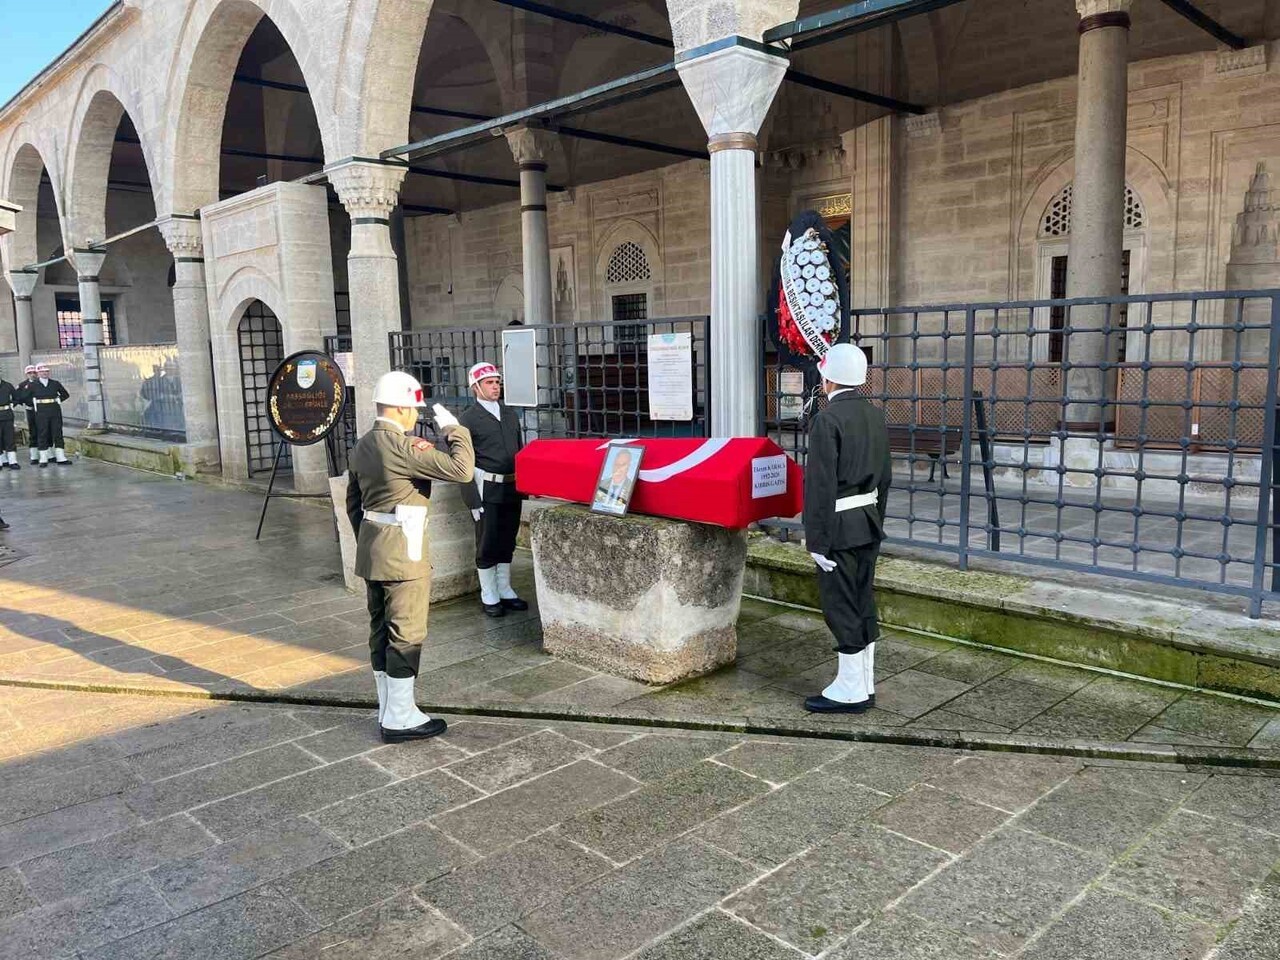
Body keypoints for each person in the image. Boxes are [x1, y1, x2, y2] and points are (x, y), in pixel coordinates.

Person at [345, 370, 474, 743]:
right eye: (414, 409)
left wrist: (372, 540)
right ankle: (400, 717)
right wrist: (454, 430)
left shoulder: (364, 444)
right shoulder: (403, 448)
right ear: (401, 408)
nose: (417, 415)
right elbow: (463, 471)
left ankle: (388, 707)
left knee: (380, 628)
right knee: (406, 632)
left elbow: (354, 503)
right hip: (405, 554)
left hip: (374, 552)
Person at [802, 343, 891, 714]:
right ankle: (863, 682)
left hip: (838, 528)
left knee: (840, 604)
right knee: (861, 599)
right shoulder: (874, 415)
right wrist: (875, 521)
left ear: (828, 378)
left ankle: (851, 690)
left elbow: (821, 486)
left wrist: (816, 541)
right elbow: (885, 478)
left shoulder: (828, 420)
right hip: (867, 524)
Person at [459, 362, 528, 618]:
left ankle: (504, 588)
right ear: (476, 387)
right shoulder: (467, 419)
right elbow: (463, 462)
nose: (495, 386)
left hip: (511, 487)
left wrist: (525, 484)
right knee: (487, 541)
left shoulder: (509, 414)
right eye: (489, 382)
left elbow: (519, 449)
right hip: (486, 488)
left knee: (507, 539)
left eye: (497, 381)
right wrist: (471, 498)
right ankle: (489, 593)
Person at [27, 363, 71, 468]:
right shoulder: (33, 385)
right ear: (38, 373)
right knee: (43, 433)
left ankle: (61, 457)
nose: (45, 373)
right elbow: (25, 397)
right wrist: (33, 404)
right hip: (41, 412)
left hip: (54, 411)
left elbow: (65, 394)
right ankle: (43, 458)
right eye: (42, 371)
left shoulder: (55, 383)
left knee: (58, 433)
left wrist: (58, 400)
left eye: (46, 371)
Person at [18, 365, 38, 464]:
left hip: (42, 411)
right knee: (33, 431)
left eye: (34, 373)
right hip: (30, 410)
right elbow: (17, 397)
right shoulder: (22, 385)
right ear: (26, 374)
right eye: (30, 373)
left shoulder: (40, 383)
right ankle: (34, 455)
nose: (33, 375)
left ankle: (47, 453)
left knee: (45, 431)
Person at [0, 372, 20, 469]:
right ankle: (1, 461)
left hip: (7, 415)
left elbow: (17, 397)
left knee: (10, 438)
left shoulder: (8, 385)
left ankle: (13, 461)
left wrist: (13, 404)